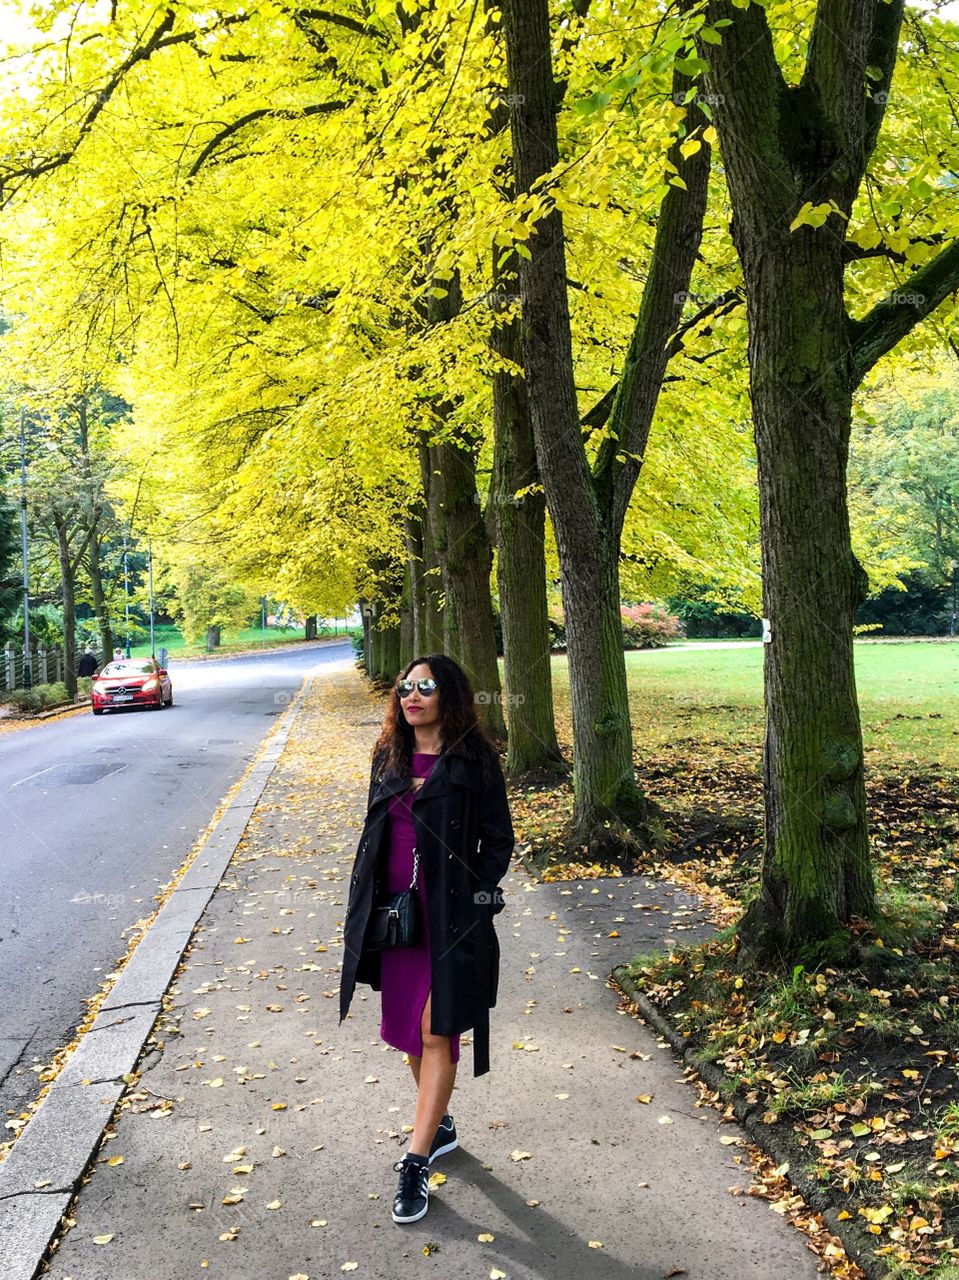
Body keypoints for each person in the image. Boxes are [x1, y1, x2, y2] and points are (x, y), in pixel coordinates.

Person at [339, 653, 514, 1226]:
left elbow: (498, 840)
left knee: (436, 1032)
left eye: (426, 687)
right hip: (394, 915)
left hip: (448, 915)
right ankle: (436, 1123)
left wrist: (477, 900)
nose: (412, 696)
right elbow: (375, 831)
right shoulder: (386, 754)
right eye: (405, 688)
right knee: (410, 1035)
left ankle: (415, 1161)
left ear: (449, 696)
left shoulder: (475, 761)